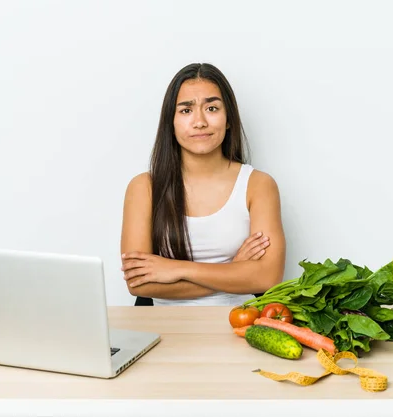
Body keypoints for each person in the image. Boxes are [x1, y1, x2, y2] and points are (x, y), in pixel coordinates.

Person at [120, 62, 286, 306]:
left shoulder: (258, 185)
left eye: (211, 108)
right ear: (171, 122)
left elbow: (267, 277)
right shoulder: (144, 187)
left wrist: (175, 269)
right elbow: (139, 283)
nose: (199, 122)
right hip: (162, 332)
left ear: (228, 119)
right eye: (186, 111)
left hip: (239, 328)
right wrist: (235, 270)